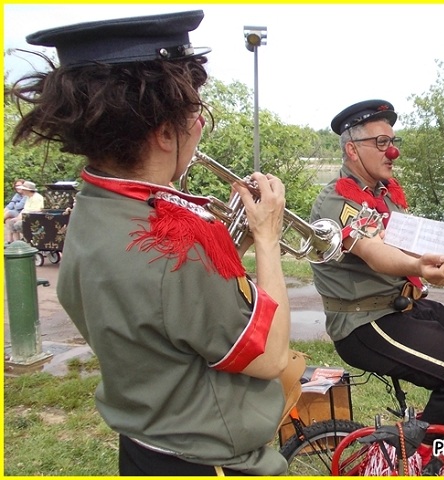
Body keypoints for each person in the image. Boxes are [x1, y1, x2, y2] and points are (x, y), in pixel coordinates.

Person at [12, 10, 292, 475]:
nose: (199, 126)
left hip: (144, 446)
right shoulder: (174, 250)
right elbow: (270, 355)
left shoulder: (91, 209)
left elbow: (163, 309)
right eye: (195, 114)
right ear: (165, 133)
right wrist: (267, 237)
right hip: (208, 461)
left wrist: (227, 241)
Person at [310, 99, 444, 441]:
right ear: (352, 150)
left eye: (393, 142)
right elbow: (374, 252)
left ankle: (437, 436)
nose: (391, 151)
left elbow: (405, 241)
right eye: (381, 143)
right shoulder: (337, 201)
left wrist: (432, 258)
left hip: (400, 306)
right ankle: (432, 464)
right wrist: (416, 265)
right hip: (365, 322)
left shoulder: (386, 193)